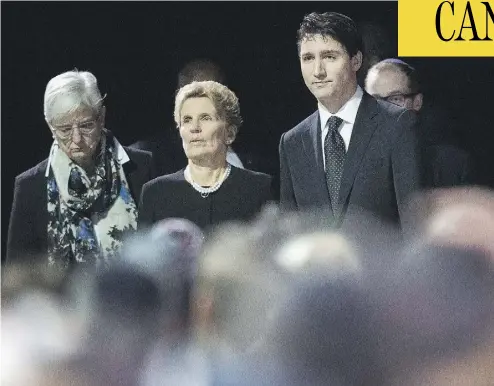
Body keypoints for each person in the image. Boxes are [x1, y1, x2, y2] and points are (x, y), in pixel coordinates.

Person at [279, 12, 423, 233]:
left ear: (356, 60)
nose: (318, 71)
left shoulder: (396, 125)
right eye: (308, 58)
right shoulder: (293, 142)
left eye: (329, 57)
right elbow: (288, 233)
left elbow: (414, 224)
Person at [6, 70, 154, 271]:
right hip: (63, 302)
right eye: (65, 129)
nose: (77, 139)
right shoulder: (31, 185)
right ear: (51, 127)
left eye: (86, 126)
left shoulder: (141, 167)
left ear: (101, 117)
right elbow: (18, 273)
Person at [138, 80, 272, 230]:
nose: (194, 128)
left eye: (205, 118)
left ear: (230, 133)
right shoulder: (156, 193)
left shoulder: (258, 188)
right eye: (187, 120)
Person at [365, 58, 476, 187]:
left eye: (395, 98)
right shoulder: (344, 163)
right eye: (374, 101)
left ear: (417, 102)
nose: (383, 108)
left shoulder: (453, 167)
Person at [131, 58, 246, 175]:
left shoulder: (250, 151)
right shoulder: (150, 154)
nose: (203, 102)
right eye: (195, 94)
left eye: (212, 94)